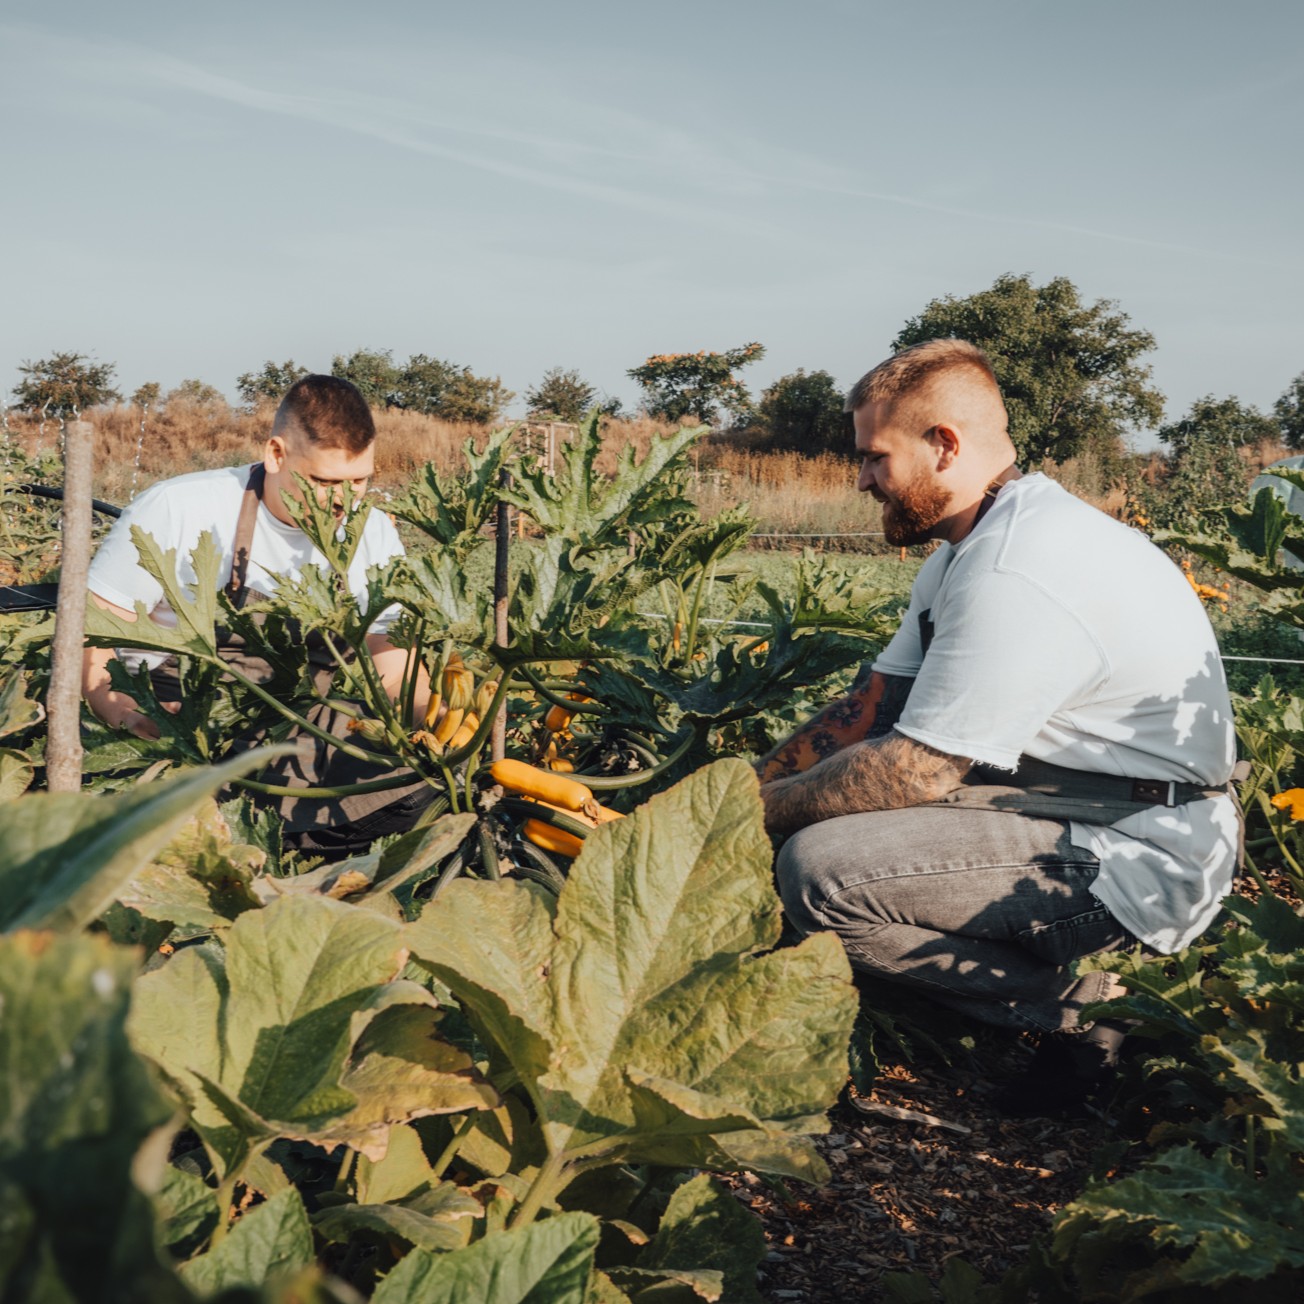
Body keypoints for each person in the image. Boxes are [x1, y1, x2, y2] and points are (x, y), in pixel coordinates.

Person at [760, 339, 1241, 1113]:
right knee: (821, 823)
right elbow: (872, 707)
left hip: (1136, 849)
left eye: (876, 457)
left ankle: (1089, 1011)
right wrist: (742, 788)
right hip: (1069, 809)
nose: (861, 480)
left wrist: (752, 818)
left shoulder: (1019, 563)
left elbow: (916, 769)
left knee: (822, 872)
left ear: (943, 445)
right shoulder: (966, 548)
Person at [81, 374, 431, 857]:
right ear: (276, 455)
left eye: (359, 481)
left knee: (418, 789)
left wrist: (420, 726)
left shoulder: (371, 530)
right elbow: (90, 634)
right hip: (185, 701)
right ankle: (278, 844)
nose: (342, 501)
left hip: (302, 708)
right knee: (183, 816)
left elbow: (387, 654)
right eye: (325, 482)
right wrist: (123, 712)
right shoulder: (179, 507)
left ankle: (283, 843)